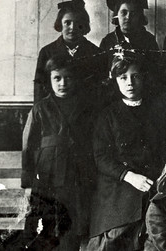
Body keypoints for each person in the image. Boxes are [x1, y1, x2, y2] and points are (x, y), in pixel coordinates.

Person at [86, 53, 166, 250]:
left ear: (143, 78)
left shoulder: (157, 112)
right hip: (118, 185)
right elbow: (101, 158)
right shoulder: (107, 115)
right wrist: (129, 176)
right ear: (115, 81)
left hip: (152, 182)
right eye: (123, 78)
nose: (129, 83)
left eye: (135, 76)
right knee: (116, 236)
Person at [22, 55, 97, 250]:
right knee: (45, 223)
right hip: (47, 175)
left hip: (75, 175)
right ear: (50, 80)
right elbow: (28, 145)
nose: (63, 83)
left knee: (71, 224)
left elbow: (93, 141)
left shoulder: (86, 107)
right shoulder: (40, 108)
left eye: (68, 78)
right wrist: (28, 179)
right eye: (57, 78)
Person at [33, 0, 102, 102]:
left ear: (84, 26)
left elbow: (100, 90)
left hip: (87, 112)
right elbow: (39, 87)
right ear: (60, 24)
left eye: (78, 23)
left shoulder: (95, 52)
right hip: (54, 111)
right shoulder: (47, 52)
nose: (72, 28)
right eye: (67, 23)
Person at [99, 0, 160, 88]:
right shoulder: (108, 41)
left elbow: (156, 71)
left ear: (139, 17)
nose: (128, 17)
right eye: (124, 12)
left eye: (133, 13)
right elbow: (101, 73)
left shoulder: (148, 40)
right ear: (116, 15)